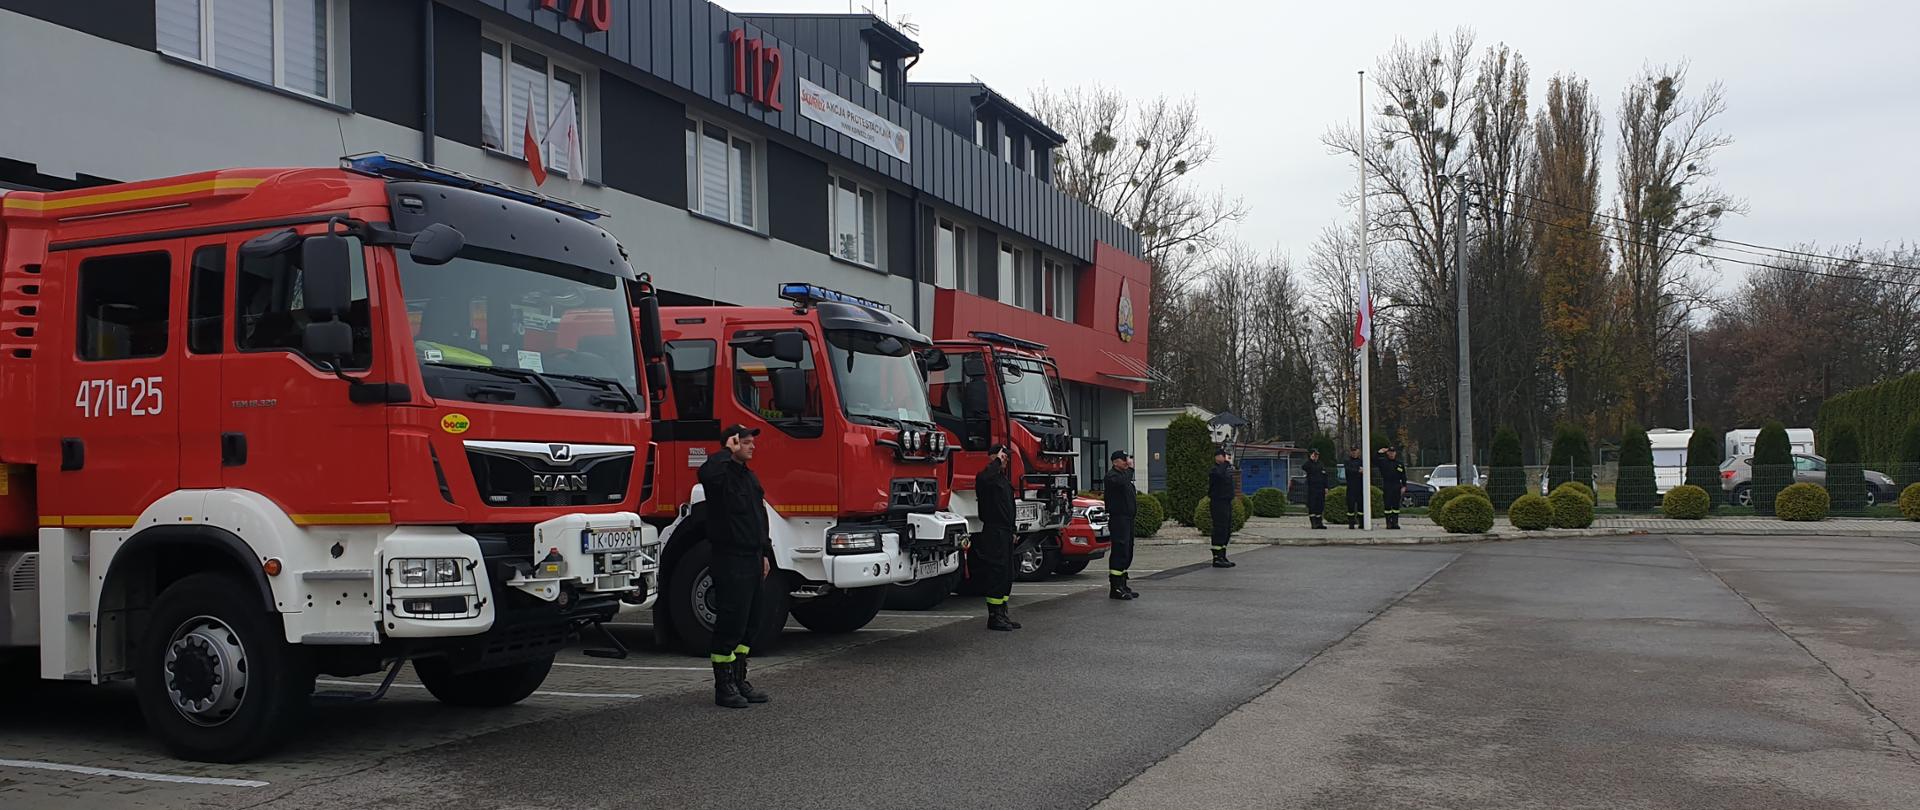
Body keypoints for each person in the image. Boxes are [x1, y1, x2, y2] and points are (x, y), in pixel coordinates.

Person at [700, 424, 773, 709]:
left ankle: (740, 679)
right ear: (732, 444)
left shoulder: (748, 478)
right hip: (730, 558)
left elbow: (759, 519)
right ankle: (724, 687)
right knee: (730, 622)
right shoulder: (720, 476)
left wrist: (765, 554)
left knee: (750, 622)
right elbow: (705, 473)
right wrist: (724, 451)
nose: (752, 446)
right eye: (745, 442)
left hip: (753, 558)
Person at [975, 443, 1021, 631]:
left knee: (1006, 573)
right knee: (996, 572)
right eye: (1003, 456)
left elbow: (1009, 507)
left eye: (1007, 457)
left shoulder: (1002, 479)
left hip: (1005, 531)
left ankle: (1002, 613)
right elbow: (986, 477)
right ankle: (994, 617)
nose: (1006, 459)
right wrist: (996, 461)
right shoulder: (986, 477)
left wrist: (1013, 529)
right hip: (994, 531)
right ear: (994, 457)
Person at [1103, 450, 1140, 600]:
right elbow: (1122, 482)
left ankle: (1123, 584)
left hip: (1128, 519)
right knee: (1119, 550)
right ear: (1115, 462)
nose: (1127, 462)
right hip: (1118, 519)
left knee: (1127, 550)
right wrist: (1130, 469)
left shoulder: (1124, 477)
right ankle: (1115, 587)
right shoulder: (1112, 476)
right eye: (1124, 460)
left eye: (1128, 459)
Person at [1208, 446, 1237, 568]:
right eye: (1222, 456)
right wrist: (1225, 463)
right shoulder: (1215, 471)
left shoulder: (1226, 470)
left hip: (1226, 502)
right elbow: (1219, 475)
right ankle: (1217, 557)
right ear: (1217, 457)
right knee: (1219, 529)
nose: (1225, 458)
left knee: (1226, 529)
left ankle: (1223, 555)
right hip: (1218, 503)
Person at [1376, 446, 1408, 530]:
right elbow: (1375, 460)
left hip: (1397, 485)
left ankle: (1395, 523)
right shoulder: (1384, 462)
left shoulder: (1399, 463)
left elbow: (1403, 476)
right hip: (1387, 485)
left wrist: (1404, 486)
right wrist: (1379, 452)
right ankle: (1388, 523)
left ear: (1395, 453)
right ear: (1387, 453)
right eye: (1390, 452)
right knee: (1387, 505)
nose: (1391, 454)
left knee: (1396, 506)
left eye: (1393, 452)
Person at [1302, 449, 1330, 530]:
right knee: (1312, 505)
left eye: (1317, 455)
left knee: (1320, 505)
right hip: (1312, 488)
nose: (1316, 456)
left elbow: (1325, 476)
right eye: (1315, 455)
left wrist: (1326, 487)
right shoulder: (1309, 464)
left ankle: (1319, 522)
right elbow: (1304, 467)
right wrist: (1311, 459)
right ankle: (1313, 523)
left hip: (1320, 488)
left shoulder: (1321, 464)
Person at [1343, 447, 1366, 529]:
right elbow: (1348, 471)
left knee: (1361, 507)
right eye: (1352, 452)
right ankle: (1351, 523)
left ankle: (1362, 523)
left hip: (1360, 487)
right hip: (1351, 487)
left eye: (1355, 451)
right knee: (1350, 506)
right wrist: (1358, 471)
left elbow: (1366, 471)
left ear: (1358, 452)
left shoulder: (1362, 461)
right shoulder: (1347, 461)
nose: (1354, 453)